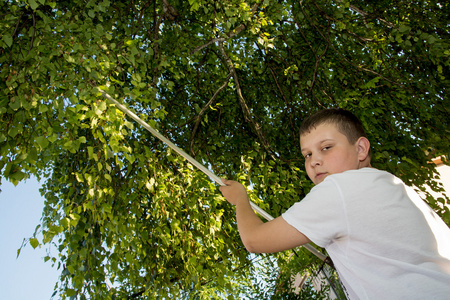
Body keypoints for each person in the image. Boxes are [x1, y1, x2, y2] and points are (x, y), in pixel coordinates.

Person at [219, 108, 450, 299]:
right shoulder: (392, 184)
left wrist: (240, 198)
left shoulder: (340, 187)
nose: (315, 161)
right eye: (307, 154)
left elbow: (255, 240)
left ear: (360, 149)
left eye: (326, 148)